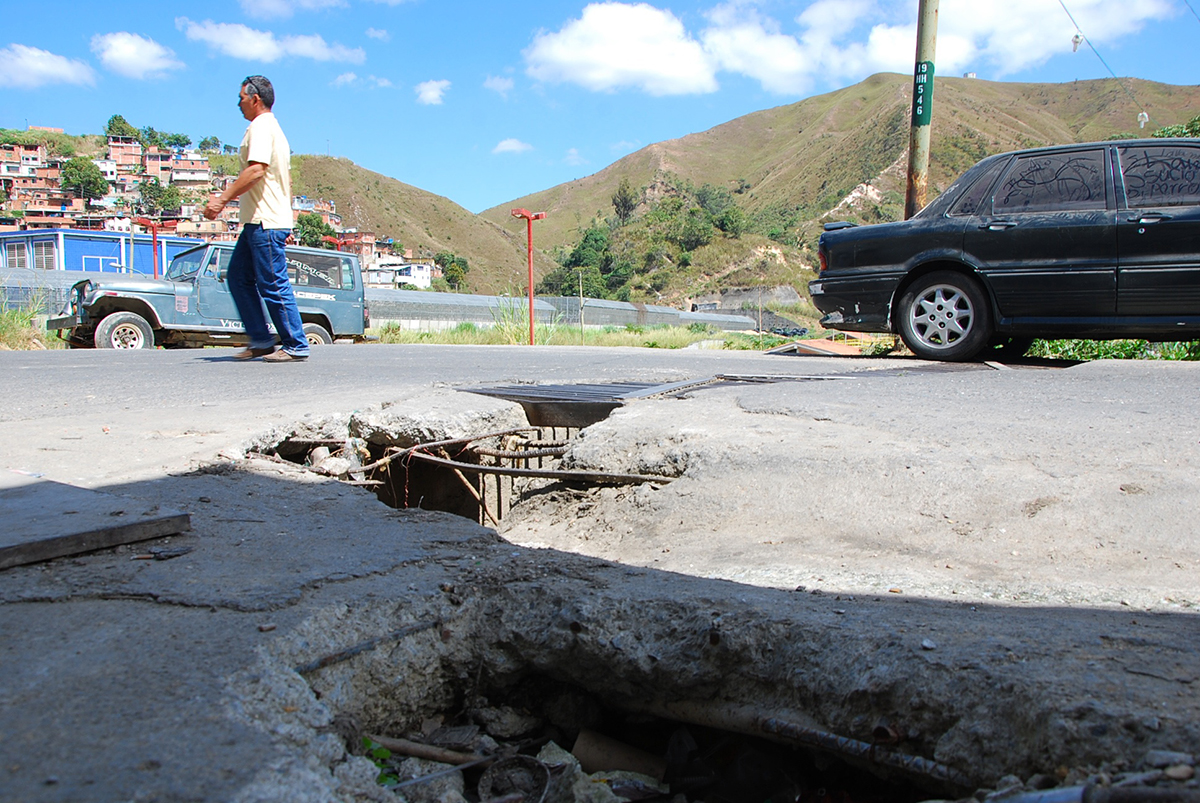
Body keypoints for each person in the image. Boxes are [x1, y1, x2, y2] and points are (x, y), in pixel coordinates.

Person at [204, 75, 309, 362]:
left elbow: (256, 170)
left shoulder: (262, 127)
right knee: (238, 277)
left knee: (273, 284)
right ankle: (261, 340)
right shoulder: (271, 129)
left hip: (265, 222)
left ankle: (296, 344)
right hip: (259, 221)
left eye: (241, 97)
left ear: (255, 99)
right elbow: (284, 178)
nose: (238, 103)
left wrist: (221, 200)